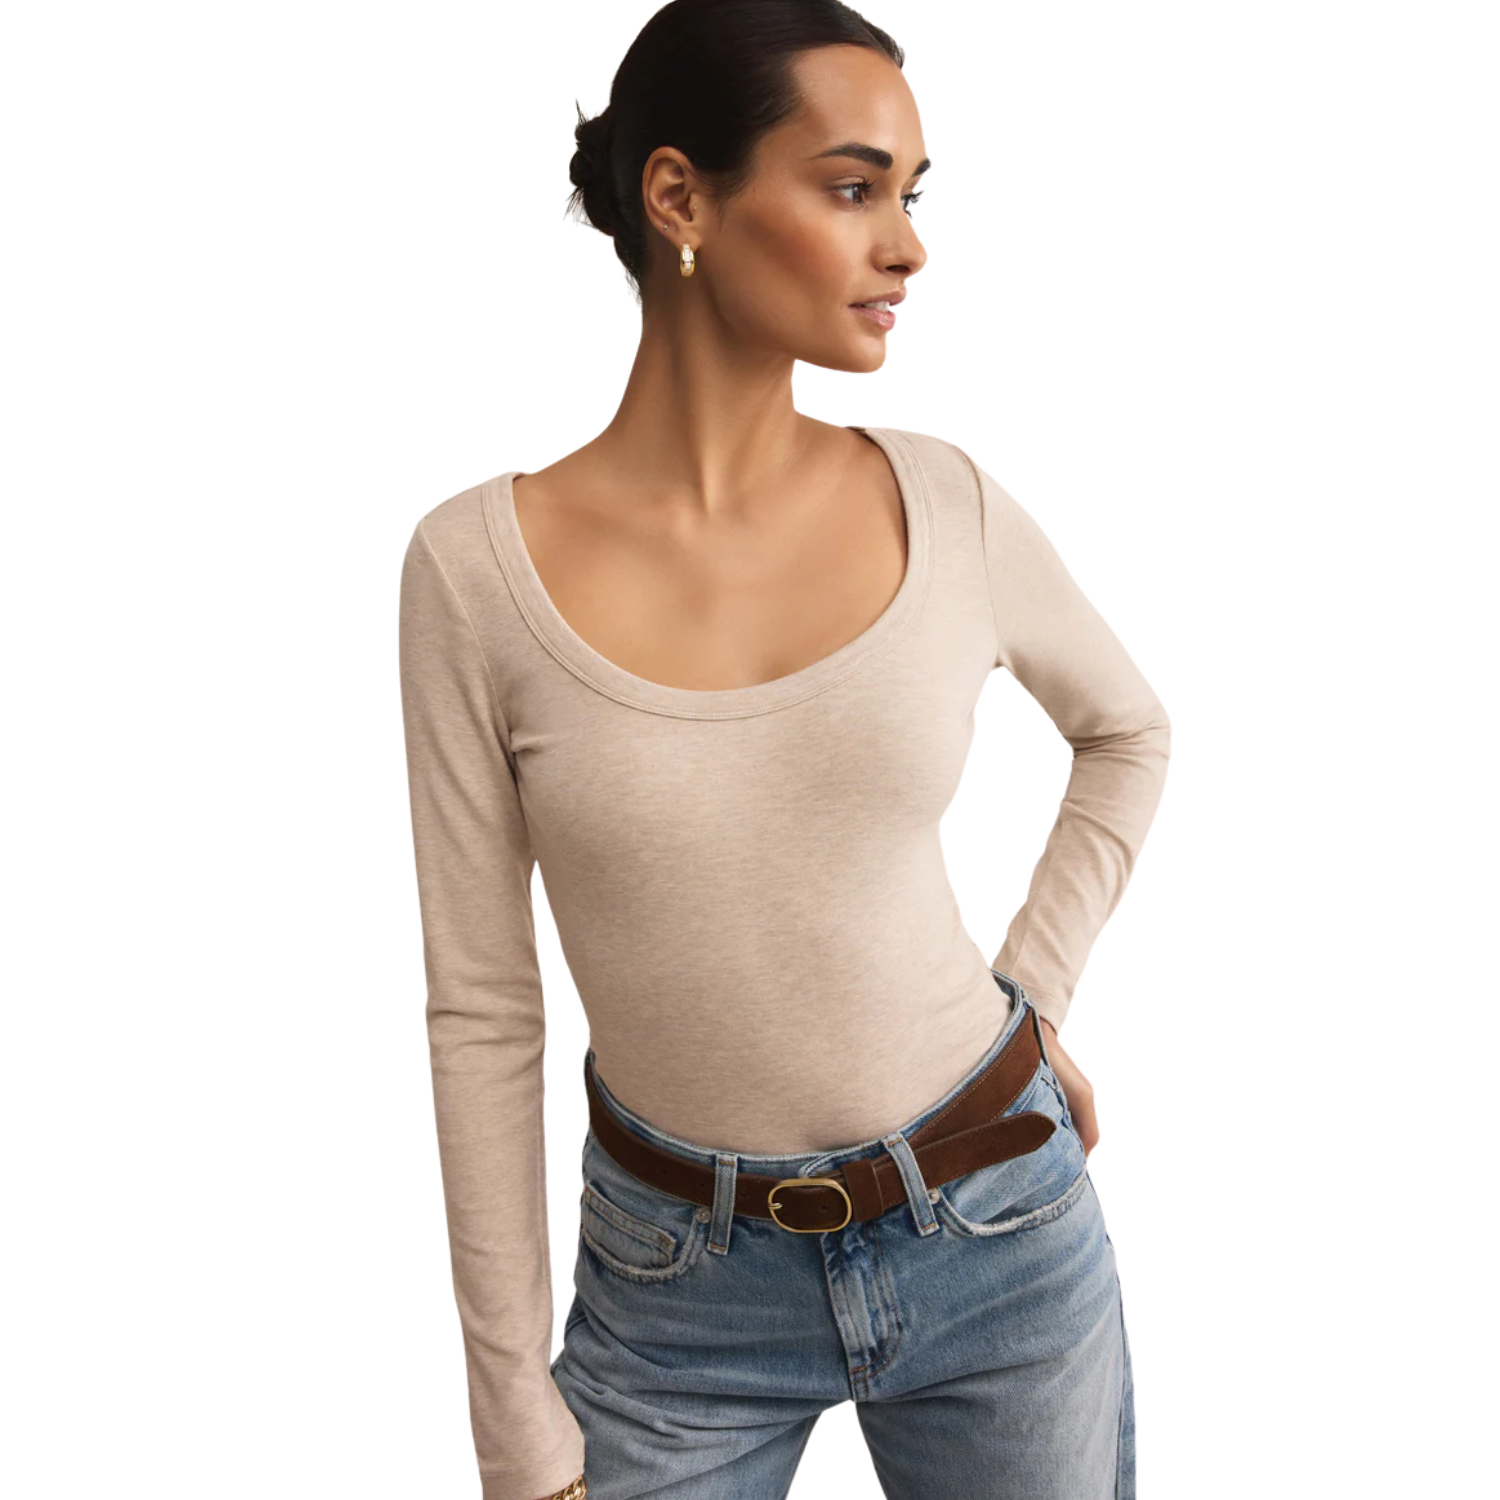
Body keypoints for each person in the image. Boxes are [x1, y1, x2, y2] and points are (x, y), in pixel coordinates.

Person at [397, 3, 1171, 1497]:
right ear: (679, 198)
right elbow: (482, 1009)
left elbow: (1126, 729)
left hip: (999, 1228)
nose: (909, 246)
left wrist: (1034, 998)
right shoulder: (474, 574)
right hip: (673, 1302)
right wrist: (511, 1415)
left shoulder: (944, 503)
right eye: (852, 186)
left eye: (913, 193)